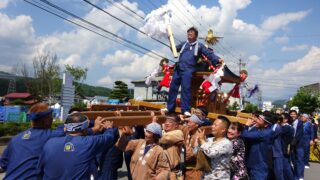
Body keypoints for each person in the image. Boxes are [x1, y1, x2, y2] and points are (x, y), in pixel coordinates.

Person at [163, 27, 223, 116]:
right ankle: (169, 107)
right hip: (178, 68)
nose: (189, 34)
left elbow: (208, 53)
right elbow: (174, 49)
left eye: (191, 32)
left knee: (186, 89)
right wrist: (170, 39)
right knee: (173, 88)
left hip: (188, 69)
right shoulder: (184, 44)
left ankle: (185, 109)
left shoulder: (199, 46)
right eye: (188, 32)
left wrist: (217, 59)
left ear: (196, 35)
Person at [37, 113, 116, 179]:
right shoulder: (88, 142)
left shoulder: (50, 143)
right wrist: (109, 128)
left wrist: (94, 128)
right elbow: (108, 138)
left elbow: (39, 170)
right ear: (85, 129)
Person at [0, 103, 65, 180]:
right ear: (45, 120)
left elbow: (3, 164)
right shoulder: (49, 135)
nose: (52, 119)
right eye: (51, 116)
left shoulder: (16, 138)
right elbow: (64, 130)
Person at [198, 116, 233, 180]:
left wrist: (202, 140)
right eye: (212, 124)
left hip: (219, 178)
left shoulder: (227, 143)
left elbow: (211, 153)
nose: (212, 126)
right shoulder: (209, 140)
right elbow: (198, 151)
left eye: (215, 125)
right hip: (206, 176)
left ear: (223, 129)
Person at [241, 112, 274, 180]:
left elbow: (245, 134)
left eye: (259, 120)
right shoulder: (262, 129)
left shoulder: (265, 133)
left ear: (266, 125)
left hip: (259, 166)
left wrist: (246, 125)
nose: (256, 120)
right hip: (255, 163)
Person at [160, 114, 185, 180]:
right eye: (166, 121)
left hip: (175, 171)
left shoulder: (178, 133)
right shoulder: (164, 132)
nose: (167, 123)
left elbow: (164, 138)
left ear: (176, 125)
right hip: (163, 170)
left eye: (170, 122)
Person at [184, 114, 205, 179]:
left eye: (190, 122)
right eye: (187, 122)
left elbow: (193, 154)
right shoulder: (188, 132)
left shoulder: (199, 136)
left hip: (195, 170)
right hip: (186, 167)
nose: (188, 124)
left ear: (197, 125)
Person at [290, 110, 304, 180]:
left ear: (297, 115)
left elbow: (298, 134)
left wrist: (292, 142)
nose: (292, 115)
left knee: (299, 161)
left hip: (299, 145)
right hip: (292, 144)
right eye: (291, 114)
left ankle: (300, 176)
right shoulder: (290, 122)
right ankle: (296, 175)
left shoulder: (300, 122)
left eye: (294, 114)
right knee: (294, 160)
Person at [280, 113, 294, 180]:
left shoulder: (286, 127)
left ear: (286, 120)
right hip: (284, 148)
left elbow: (279, 132)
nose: (279, 119)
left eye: (281, 117)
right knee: (286, 165)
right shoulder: (287, 126)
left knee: (286, 166)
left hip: (284, 148)